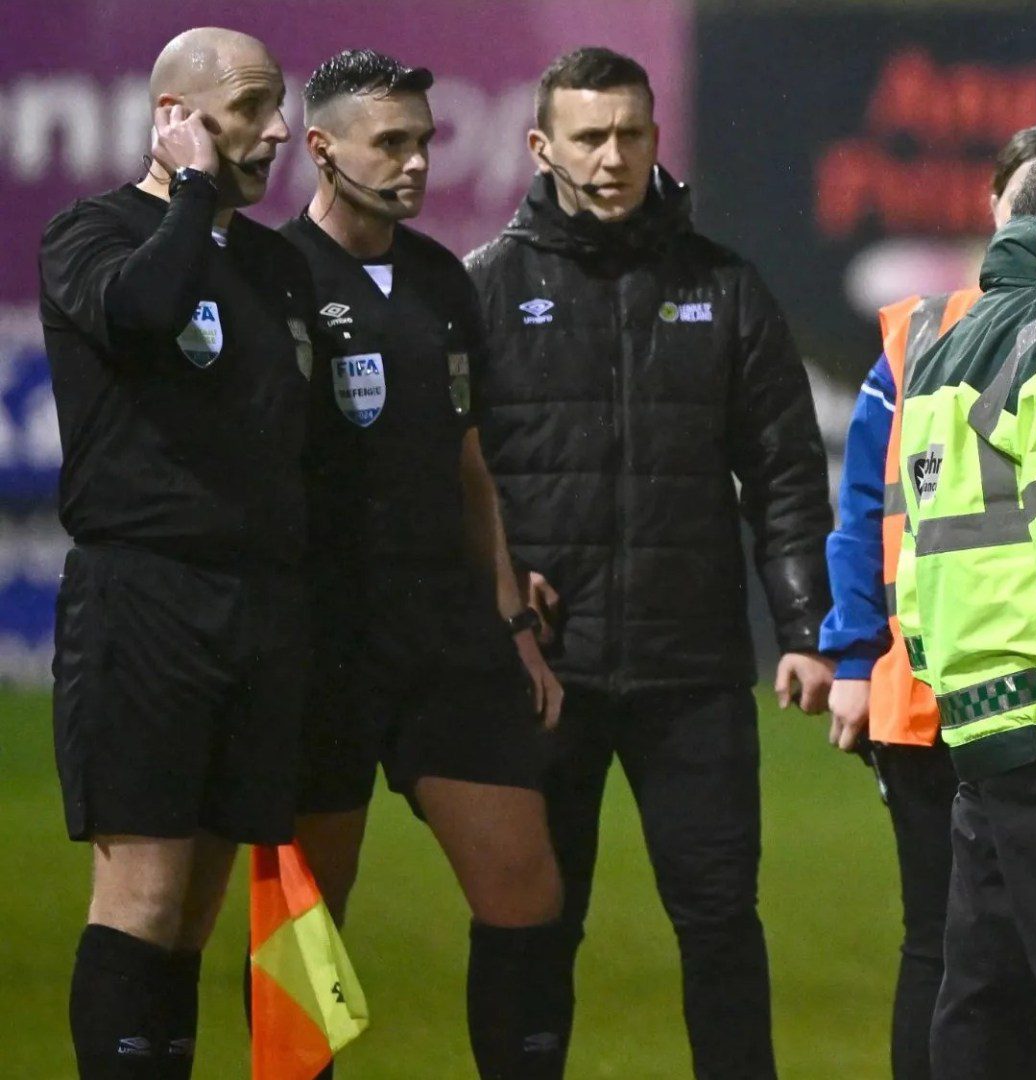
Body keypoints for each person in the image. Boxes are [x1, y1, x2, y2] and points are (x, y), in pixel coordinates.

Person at [464, 46, 833, 1077]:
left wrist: (807, 631)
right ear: (542, 147)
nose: (614, 155)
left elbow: (786, 477)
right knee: (535, 921)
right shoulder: (486, 292)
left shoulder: (726, 287)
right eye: (590, 136)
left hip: (695, 673)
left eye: (631, 132)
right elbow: (446, 478)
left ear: (657, 137)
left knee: (720, 921)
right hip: (545, 674)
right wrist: (490, 594)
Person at [282, 49, 571, 1079]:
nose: (415, 164)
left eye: (424, 141)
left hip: (446, 634)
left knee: (527, 895)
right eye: (390, 142)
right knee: (308, 916)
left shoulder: (441, 279)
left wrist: (512, 624)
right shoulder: (275, 279)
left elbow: (470, 467)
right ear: (321, 148)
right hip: (322, 639)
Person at [39, 27, 312, 1079]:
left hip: (259, 610)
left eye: (276, 104)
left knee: (195, 915)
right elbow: (143, 313)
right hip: (145, 601)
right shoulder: (92, 233)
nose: (275, 128)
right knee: (141, 904)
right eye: (247, 105)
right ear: (174, 118)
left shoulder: (275, 264)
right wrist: (192, 195)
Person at [816, 120, 1036, 1080]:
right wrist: (854, 657)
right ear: (994, 209)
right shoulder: (921, 335)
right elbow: (863, 508)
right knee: (942, 940)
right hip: (930, 693)